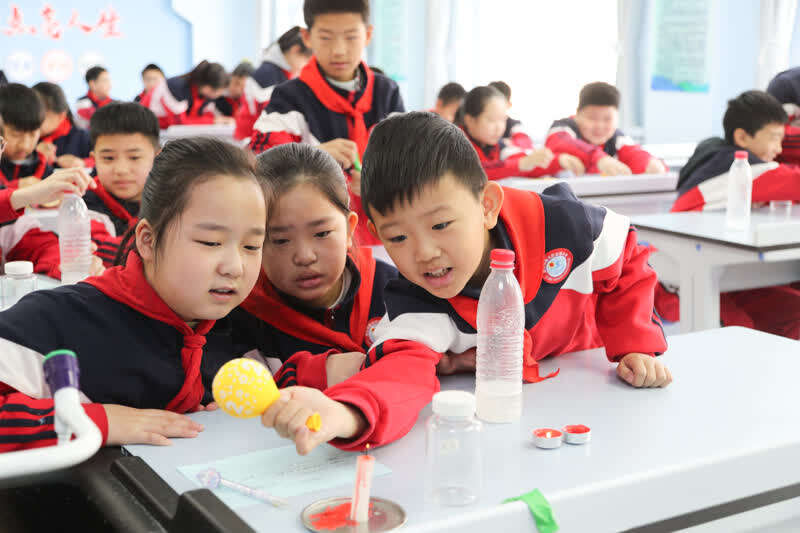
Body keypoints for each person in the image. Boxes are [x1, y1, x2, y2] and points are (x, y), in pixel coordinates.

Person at [260, 111, 671, 456]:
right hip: (523, 426)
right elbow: (399, 375)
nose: (424, 253)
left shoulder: (564, 225)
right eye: (398, 237)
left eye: (441, 225)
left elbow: (626, 254)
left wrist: (634, 344)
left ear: (486, 205)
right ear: (374, 232)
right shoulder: (417, 302)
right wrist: (345, 413)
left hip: (606, 401)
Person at [0, 137, 268, 451]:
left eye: (252, 246)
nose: (235, 267)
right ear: (148, 241)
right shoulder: (60, 319)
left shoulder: (247, 327)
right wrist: (95, 421)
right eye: (211, 242)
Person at [229, 143, 397, 388]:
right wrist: (317, 373)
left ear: (349, 229)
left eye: (321, 233)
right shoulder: (239, 315)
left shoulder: (394, 291)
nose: (304, 256)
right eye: (281, 240)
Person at [249, 0, 405, 245]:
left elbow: (408, 163)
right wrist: (311, 157)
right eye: (326, 38)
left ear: (368, 35)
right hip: (314, 238)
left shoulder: (387, 92)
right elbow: (259, 164)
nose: (339, 50)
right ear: (307, 37)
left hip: (384, 234)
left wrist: (379, 180)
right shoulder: (288, 97)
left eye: (351, 37)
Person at [661, 90, 800, 339]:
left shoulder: (715, 156)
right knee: (740, 334)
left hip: (726, 272)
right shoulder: (740, 168)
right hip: (682, 279)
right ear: (742, 137)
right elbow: (793, 181)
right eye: (774, 138)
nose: (779, 148)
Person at [82, 102, 160, 264]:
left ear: (157, 157)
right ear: (94, 159)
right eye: (108, 158)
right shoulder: (84, 203)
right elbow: (96, 248)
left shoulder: (173, 199)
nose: (121, 170)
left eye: (134, 157)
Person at [459, 86, 584, 179]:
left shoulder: (497, 146)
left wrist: (559, 161)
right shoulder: (455, 145)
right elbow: (476, 171)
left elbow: (526, 165)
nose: (499, 128)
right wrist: (521, 163)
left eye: (503, 119)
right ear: (469, 120)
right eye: (491, 120)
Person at [546, 82, 665, 175]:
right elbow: (561, 143)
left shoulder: (618, 138)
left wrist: (650, 163)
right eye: (592, 118)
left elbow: (635, 153)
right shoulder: (562, 128)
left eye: (607, 119)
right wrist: (599, 158)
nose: (599, 125)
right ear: (577, 115)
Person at [141, 61, 233, 129]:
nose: (220, 95)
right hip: (146, 128)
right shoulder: (176, 87)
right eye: (219, 91)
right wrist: (215, 121)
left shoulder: (204, 96)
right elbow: (180, 123)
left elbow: (204, 116)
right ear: (207, 87)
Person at [0, 83, 53, 187]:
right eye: (16, 135)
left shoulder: (45, 170)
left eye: (33, 134)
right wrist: (16, 187)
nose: (24, 145)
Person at [32, 82, 92, 169]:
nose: (33, 120)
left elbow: (103, 159)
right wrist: (33, 156)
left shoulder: (83, 137)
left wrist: (83, 163)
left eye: (41, 116)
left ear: (61, 116)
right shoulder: (25, 138)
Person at [488, 80, 533, 150]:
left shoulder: (515, 125)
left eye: (500, 104)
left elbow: (525, 144)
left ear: (508, 105)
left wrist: (501, 143)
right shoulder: (480, 123)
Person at [75, 66, 113, 130]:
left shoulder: (114, 103)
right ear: (92, 84)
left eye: (109, 81)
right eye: (105, 81)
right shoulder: (82, 102)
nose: (109, 85)